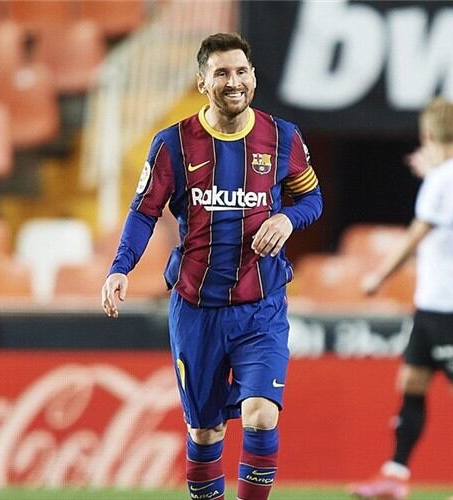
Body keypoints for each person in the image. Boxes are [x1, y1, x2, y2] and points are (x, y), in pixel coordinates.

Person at [101, 33, 323, 500]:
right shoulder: (173, 144)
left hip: (261, 307)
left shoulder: (283, 138)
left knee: (262, 413)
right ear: (203, 82)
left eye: (241, 71)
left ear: (254, 78)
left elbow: (312, 198)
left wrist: (286, 216)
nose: (234, 81)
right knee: (205, 433)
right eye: (221, 73)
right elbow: (144, 211)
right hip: (197, 311)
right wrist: (121, 267)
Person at [349, 98, 453, 500]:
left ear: (428, 135)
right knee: (413, 380)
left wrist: (379, 276)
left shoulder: (445, 181)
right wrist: (433, 168)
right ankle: (395, 474)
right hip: (435, 303)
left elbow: (419, 233)